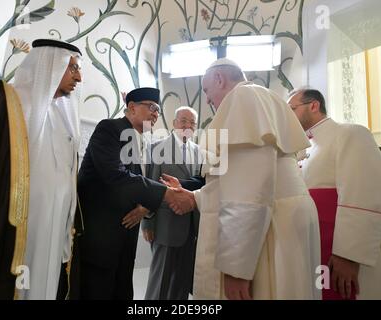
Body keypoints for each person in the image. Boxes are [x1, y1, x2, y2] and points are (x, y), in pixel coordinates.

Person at [163, 58, 322, 300]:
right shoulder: (265, 97)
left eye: (206, 90)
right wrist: (194, 197)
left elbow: (250, 191)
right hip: (280, 217)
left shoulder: (243, 97)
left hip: (269, 227)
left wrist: (236, 266)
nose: (207, 99)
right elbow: (238, 179)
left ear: (220, 79)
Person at [0, 39, 83, 299]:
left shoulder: (64, 119)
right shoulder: (0, 101)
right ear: (50, 65)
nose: (78, 77)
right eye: (72, 68)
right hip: (4, 238)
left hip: (52, 236)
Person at [77, 87, 190, 300]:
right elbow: (115, 176)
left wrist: (145, 207)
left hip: (123, 243)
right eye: (152, 107)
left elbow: (136, 185)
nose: (156, 114)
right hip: (101, 239)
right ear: (131, 107)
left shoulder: (139, 141)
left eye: (158, 110)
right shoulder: (109, 129)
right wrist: (165, 194)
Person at [288, 88, 381, 299]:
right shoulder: (306, 149)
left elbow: (363, 195)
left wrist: (348, 254)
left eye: (292, 108)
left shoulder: (350, 133)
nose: (287, 115)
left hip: (345, 254)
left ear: (313, 106)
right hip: (318, 247)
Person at [142, 106, 205, 300]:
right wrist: (148, 222)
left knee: (182, 285)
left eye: (192, 122)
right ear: (174, 123)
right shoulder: (156, 148)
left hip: (191, 228)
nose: (187, 125)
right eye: (183, 120)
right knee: (160, 283)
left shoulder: (200, 152)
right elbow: (149, 188)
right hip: (165, 226)